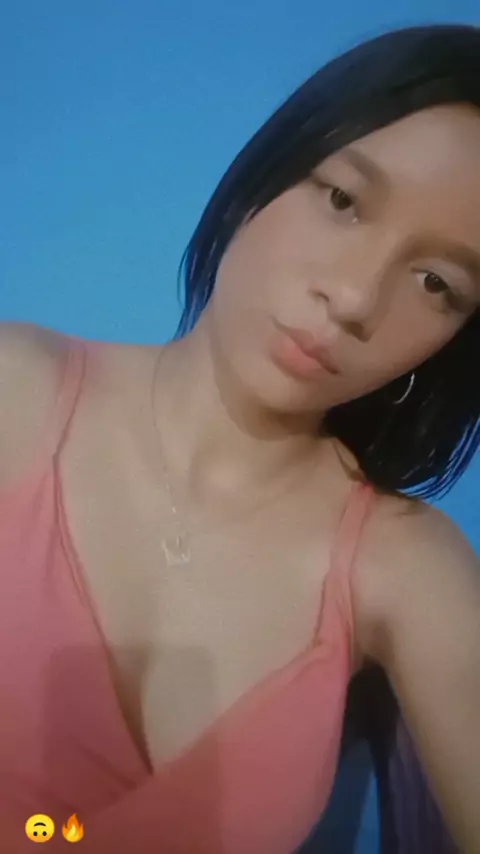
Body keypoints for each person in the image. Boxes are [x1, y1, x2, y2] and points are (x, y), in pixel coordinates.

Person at [1, 21, 479, 854]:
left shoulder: (405, 565)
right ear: (264, 176)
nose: (355, 298)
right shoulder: (16, 386)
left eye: (436, 283)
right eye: (343, 201)